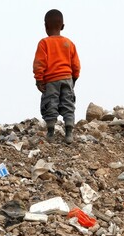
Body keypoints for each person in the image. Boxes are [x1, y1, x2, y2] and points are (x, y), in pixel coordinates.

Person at [33, 9, 80, 144]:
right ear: (63, 26)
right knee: (68, 104)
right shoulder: (69, 43)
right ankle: (69, 133)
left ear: (46, 26)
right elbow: (76, 65)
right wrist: (74, 79)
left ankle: (51, 133)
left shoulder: (44, 43)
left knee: (50, 104)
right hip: (67, 78)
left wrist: (39, 79)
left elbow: (39, 63)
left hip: (51, 81)